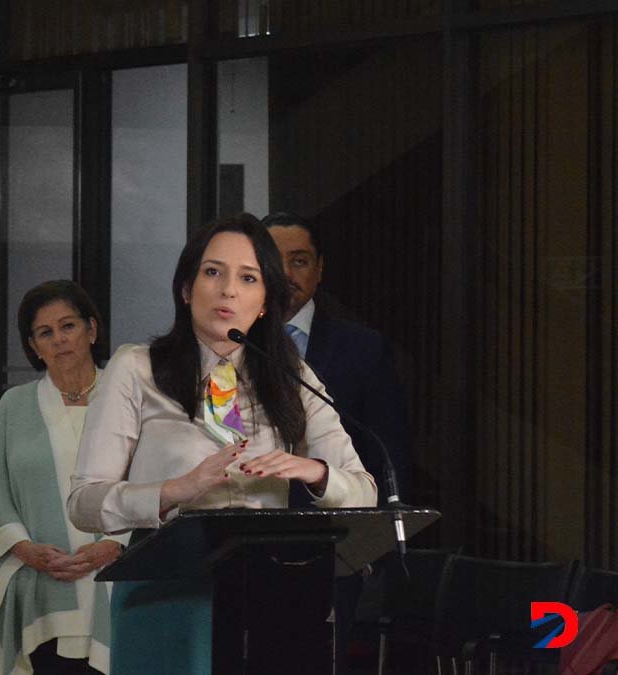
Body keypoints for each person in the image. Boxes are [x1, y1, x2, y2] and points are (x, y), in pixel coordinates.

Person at [67, 213, 376, 674]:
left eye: (248, 278)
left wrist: (314, 472)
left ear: (266, 301)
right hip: (167, 590)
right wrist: (174, 490)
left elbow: (364, 490)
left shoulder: (292, 376)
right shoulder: (136, 369)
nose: (229, 289)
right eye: (213, 272)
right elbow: (83, 502)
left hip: (269, 595)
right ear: (187, 289)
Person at [0, 280, 127, 675]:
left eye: (68, 326)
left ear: (91, 330)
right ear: (33, 347)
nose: (59, 340)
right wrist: (25, 548)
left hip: (116, 582)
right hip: (42, 588)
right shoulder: (15, 405)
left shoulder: (127, 395)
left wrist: (115, 545)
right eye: (45, 333)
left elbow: (154, 480)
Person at [262, 211, 412, 506]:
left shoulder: (363, 349)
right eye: (274, 261)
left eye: (299, 261)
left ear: (319, 269)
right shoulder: (229, 342)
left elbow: (388, 455)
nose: (286, 274)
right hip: (242, 525)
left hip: (333, 528)